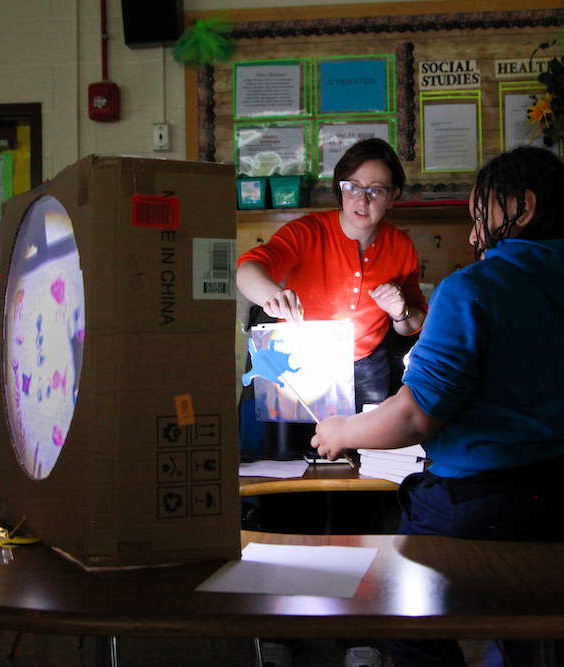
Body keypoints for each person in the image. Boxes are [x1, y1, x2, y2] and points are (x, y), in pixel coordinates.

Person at [311, 147, 564, 667]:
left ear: (524, 206)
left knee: (403, 621)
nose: (473, 236)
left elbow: (416, 414)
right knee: (540, 637)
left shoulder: (473, 290)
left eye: (479, 217)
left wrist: (341, 431)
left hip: (477, 511)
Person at [237, 137, 427, 667]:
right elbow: (248, 267)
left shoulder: (402, 247)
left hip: (365, 367)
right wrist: (269, 295)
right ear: (339, 188)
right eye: (352, 187)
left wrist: (399, 313)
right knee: (289, 492)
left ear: (391, 198)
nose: (361, 200)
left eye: (375, 190)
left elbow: (416, 325)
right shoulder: (306, 231)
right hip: (297, 362)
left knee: (358, 497)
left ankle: (358, 632)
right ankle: (283, 628)